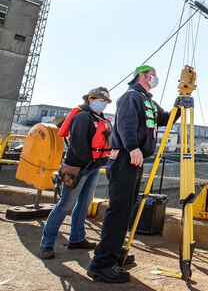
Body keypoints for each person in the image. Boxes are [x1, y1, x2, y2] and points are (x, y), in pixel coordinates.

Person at [87, 65, 178, 283]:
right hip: (125, 158)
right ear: (142, 76)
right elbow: (126, 123)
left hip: (133, 160)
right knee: (119, 210)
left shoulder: (147, 100)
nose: (155, 78)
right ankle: (101, 264)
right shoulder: (131, 96)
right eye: (152, 75)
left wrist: (180, 104)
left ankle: (113, 251)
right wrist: (132, 146)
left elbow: (164, 118)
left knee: (126, 209)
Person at [38, 87, 113, 260]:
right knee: (65, 205)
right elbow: (78, 145)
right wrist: (91, 162)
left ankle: (77, 238)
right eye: (100, 100)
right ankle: (46, 244)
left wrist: (100, 161)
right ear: (90, 99)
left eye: (105, 101)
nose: (103, 104)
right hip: (77, 168)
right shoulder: (82, 117)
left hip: (92, 168)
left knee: (84, 204)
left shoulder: (98, 118)